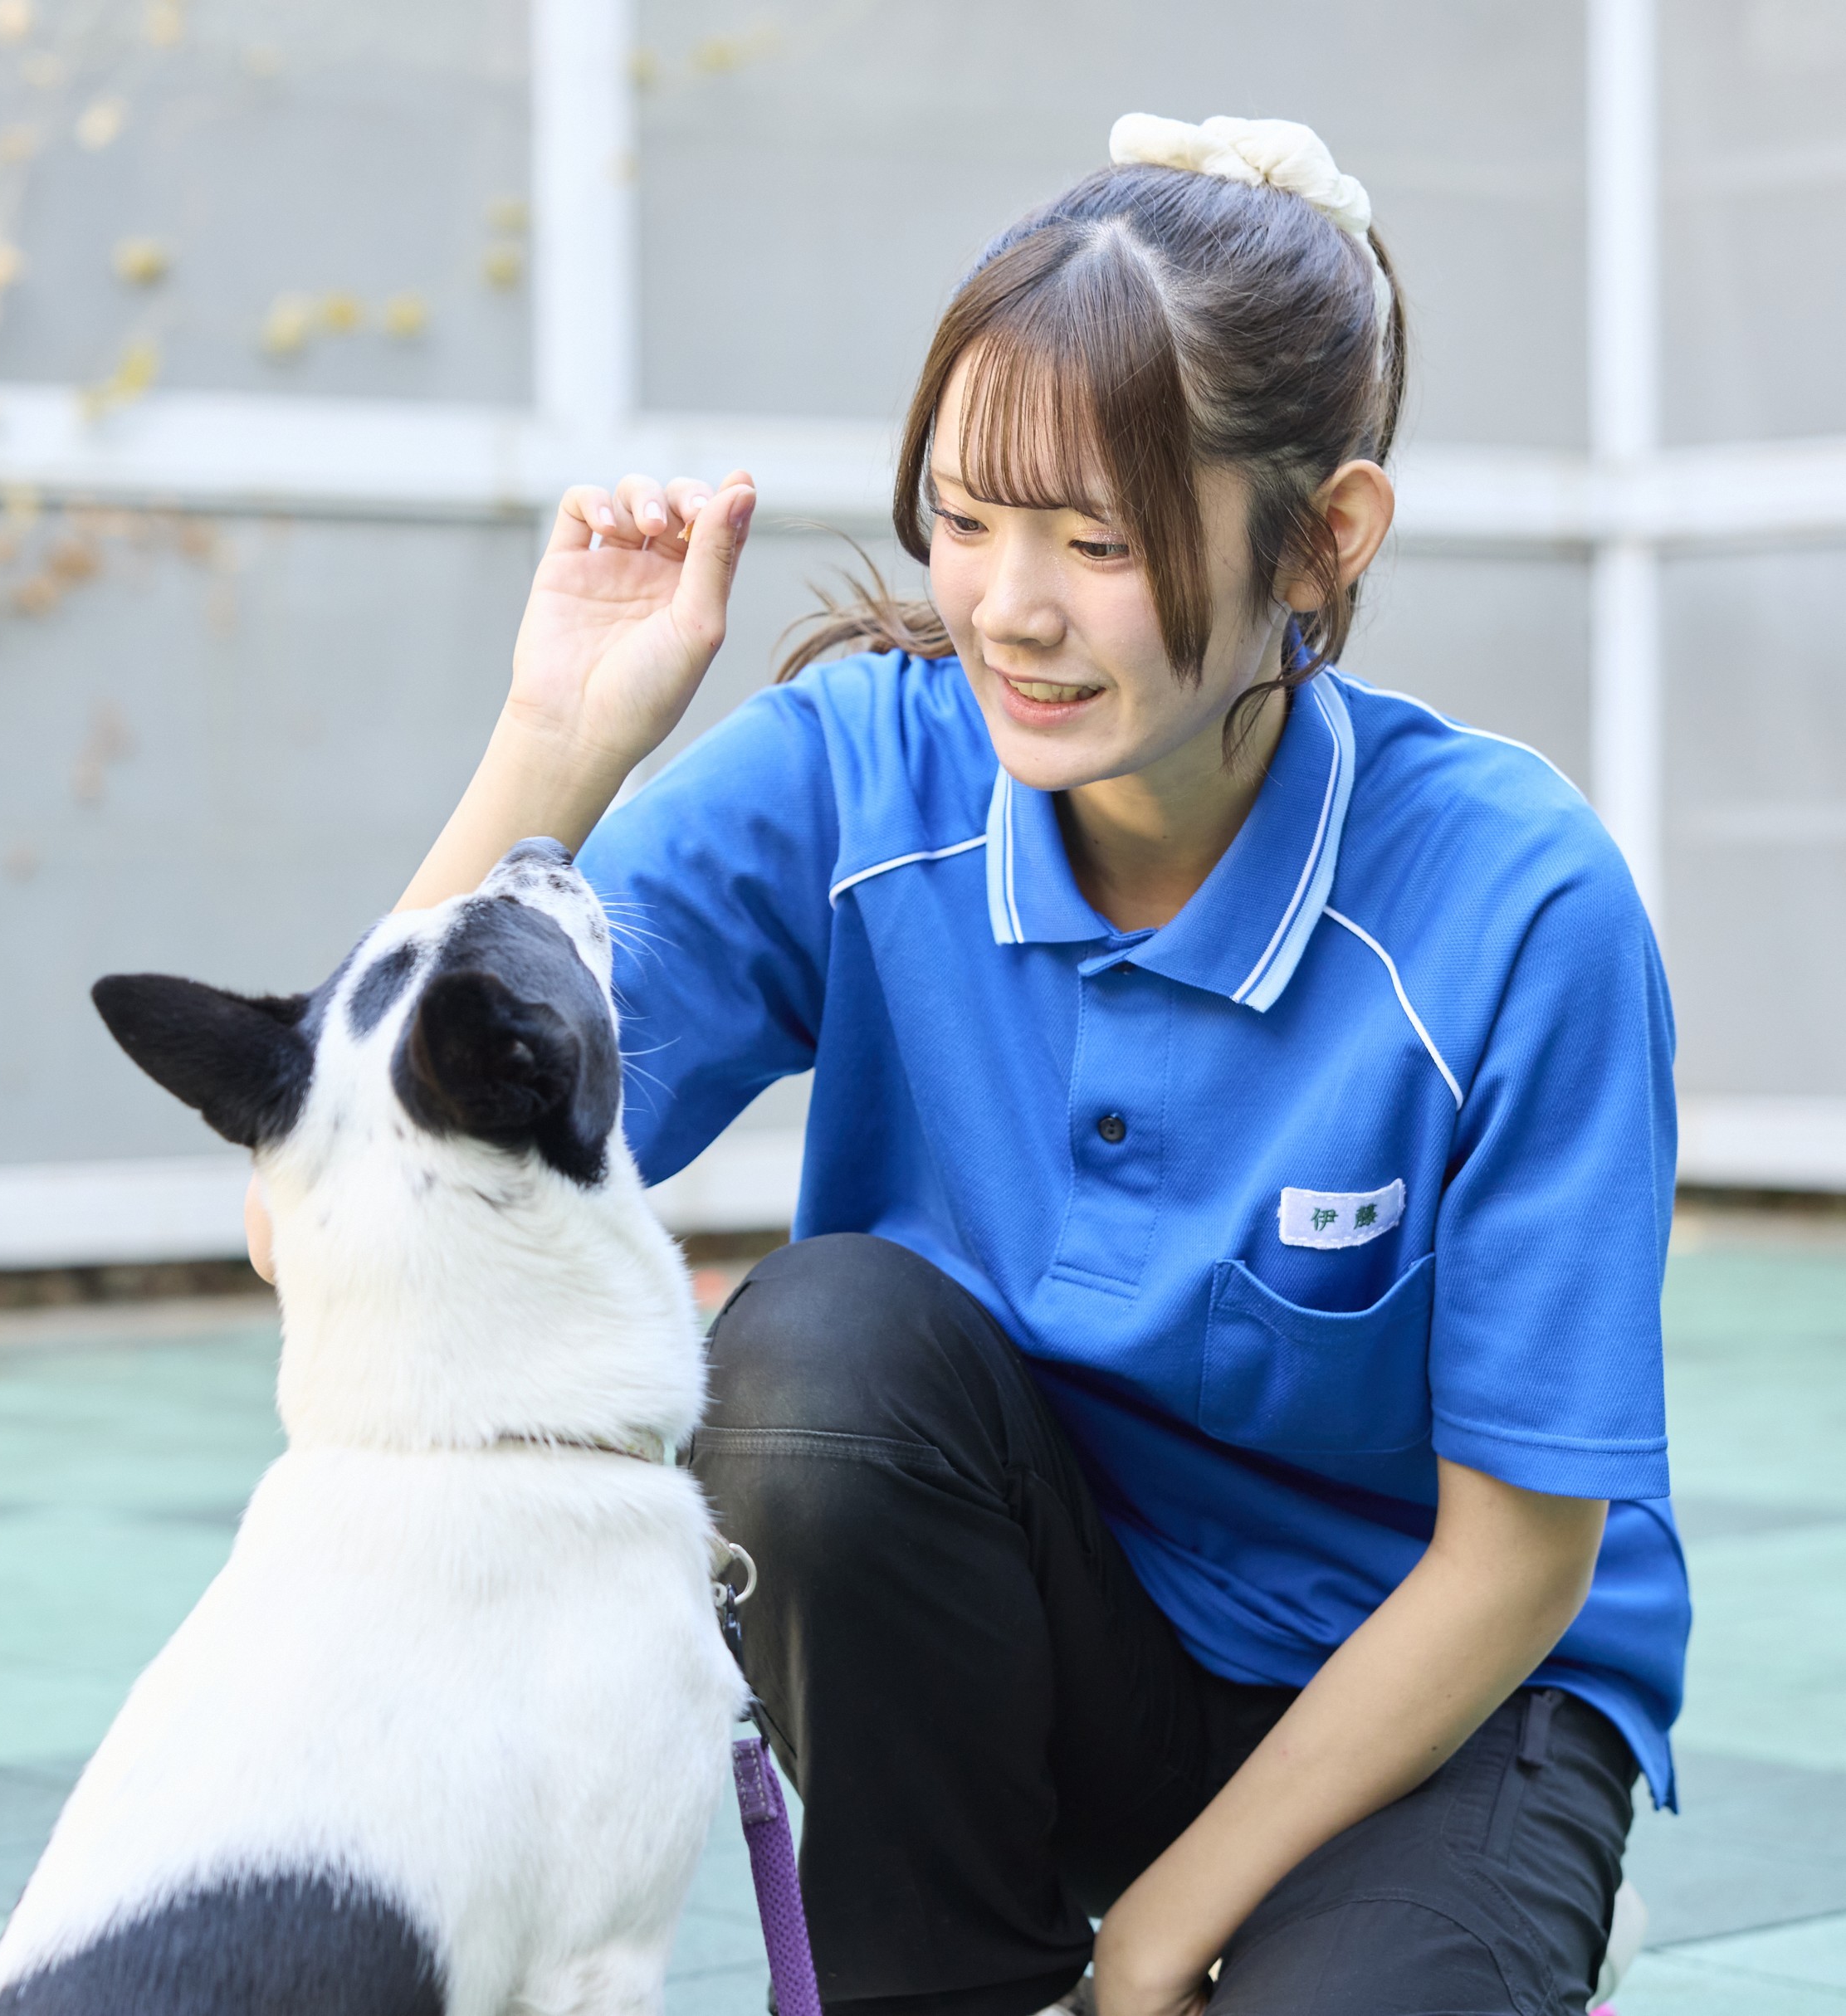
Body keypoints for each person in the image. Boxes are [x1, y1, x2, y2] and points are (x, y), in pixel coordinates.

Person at [248, 114, 1685, 2016]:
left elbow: (1520, 1563)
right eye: (971, 516)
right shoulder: (862, 778)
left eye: (1100, 541)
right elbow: (329, 1218)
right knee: (818, 1357)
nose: (1008, 605)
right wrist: (553, 746)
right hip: (1049, 1663)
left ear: (1324, 543)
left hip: (1428, 1706)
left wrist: (1168, 1937)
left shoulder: (1517, 904)